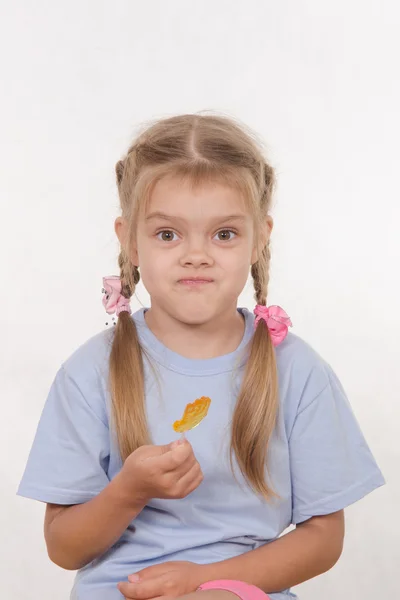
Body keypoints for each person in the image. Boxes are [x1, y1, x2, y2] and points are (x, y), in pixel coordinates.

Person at [17, 114, 385, 600]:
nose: (197, 255)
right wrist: (129, 490)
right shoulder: (90, 372)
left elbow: (323, 540)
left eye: (224, 234)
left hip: (243, 590)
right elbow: (64, 548)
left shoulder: (297, 371)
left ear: (260, 237)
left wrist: (205, 582)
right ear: (130, 241)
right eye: (168, 235)